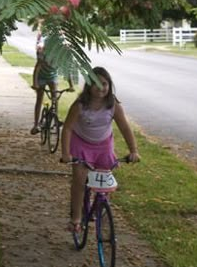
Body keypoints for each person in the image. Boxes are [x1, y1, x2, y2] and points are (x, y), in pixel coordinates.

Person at [60, 66, 140, 232]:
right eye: (96, 83)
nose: (101, 87)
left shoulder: (113, 106)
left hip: (104, 145)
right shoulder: (80, 105)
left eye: (105, 83)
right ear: (88, 85)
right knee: (79, 180)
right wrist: (66, 153)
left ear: (109, 86)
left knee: (105, 181)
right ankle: (76, 217)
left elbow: (125, 128)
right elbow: (67, 128)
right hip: (81, 143)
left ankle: (101, 205)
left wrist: (134, 150)